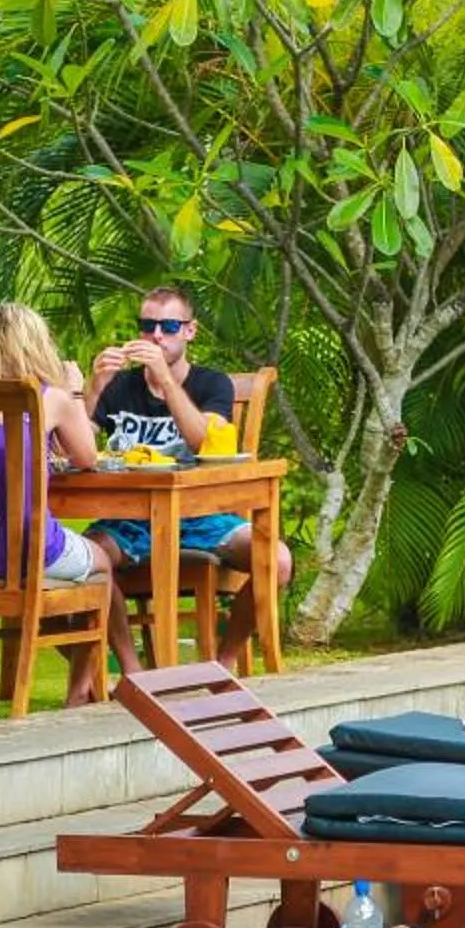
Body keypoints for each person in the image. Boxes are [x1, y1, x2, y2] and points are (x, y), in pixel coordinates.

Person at [84, 283, 295, 666]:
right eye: (147, 326)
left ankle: (224, 662)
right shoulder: (120, 386)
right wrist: (94, 387)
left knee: (277, 560)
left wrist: (165, 380)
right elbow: (78, 449)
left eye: (167, 326)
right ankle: (134, 672)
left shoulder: (211, 383)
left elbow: (202, 443)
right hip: (127, 521)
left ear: (189, 330)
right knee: (87, 559)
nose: (156, 335)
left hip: (203, 518)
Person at [0, 302, 139, 708]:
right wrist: (76, 390)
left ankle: (101, 681)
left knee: (80, 572)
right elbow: (86, 458)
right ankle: (85, 689)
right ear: (39, 346)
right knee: (102, 565)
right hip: (30, 545)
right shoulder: (52, 398)